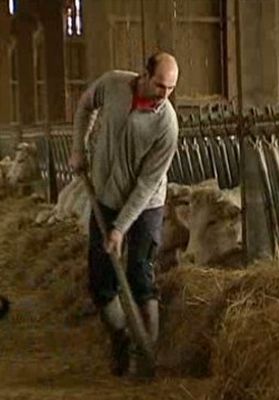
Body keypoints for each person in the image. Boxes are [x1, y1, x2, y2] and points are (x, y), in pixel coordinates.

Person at [69, 52, 179, 377]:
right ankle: (121, 340)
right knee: (101, 280)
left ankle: (149, 355)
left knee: (140, 274)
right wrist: (79, 146)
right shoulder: (113, 84)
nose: (165, 94)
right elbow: (85, 106)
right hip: (105, 195)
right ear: (144, 75)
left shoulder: (167, 124)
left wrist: (119, 229)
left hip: (145, 205)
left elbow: (147, 184)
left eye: (171, 88)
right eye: (160, 85)